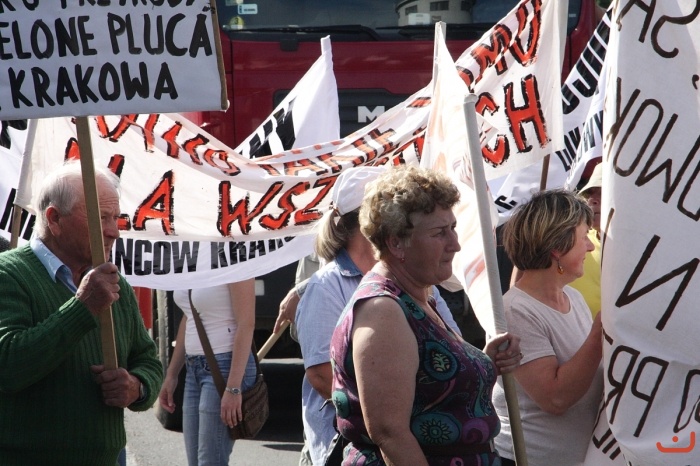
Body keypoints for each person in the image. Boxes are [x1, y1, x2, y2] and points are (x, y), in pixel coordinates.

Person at [330, 165, 522, 466]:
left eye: (453, 228)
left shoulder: (418, 297)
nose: (455, 244)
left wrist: (482, 363)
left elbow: (430, 384)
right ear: (396, 242)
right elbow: (389, 433)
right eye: (439, 233)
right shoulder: (383, 311)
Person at [294, 167, 463, 466]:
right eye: (439, 232)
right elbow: (321, 375)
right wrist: (410, 406)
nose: (455, 243)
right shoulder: (331, 286)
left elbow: (453, 346)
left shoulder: (420, 283)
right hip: (349, 445)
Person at [0, 161, 163, 465]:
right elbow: (8, 366)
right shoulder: (8, 274)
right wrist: (83, 307)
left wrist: (136, 386)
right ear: (54, 219)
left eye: (116, 217)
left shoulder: (115, 286)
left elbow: (148, 360)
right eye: (101, 217)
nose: (113, 231)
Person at [493, 189, 604, 466]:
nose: (590, 247)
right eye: (583, 237)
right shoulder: (515, 311)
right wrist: (600, 333)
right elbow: (555, 398)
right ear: (557, 247)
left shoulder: (573, 298)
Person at [158, 279, 258, 465]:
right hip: (193, 367)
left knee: (210, 462)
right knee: (196, 462)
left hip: (225, 368)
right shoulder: (192, 263)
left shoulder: (234, 262)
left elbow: (246, 323)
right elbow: (189, 317)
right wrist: (171, 374)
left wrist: (233, 387)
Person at [569, 162, 602, 316]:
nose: (592, 200)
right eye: (589, 194)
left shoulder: (644, 250)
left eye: (602, 192)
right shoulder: (571, 241)